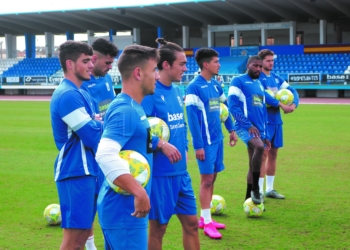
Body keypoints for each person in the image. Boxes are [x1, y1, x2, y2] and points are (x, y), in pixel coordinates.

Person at [95, 45, 181, 250]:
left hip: (124, 209)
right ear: (138, 73)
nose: (157, 77)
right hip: (125, 211)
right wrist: (139, 193)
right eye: (154, 71)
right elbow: (104, 154)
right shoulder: (126, 110)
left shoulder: (133, 107)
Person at [141, 38, 200, 250]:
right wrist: (160, 144)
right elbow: (137, 129)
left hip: (181, 173)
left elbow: (181, 122)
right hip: (160, 175)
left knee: (192, 224)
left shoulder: (176, 90)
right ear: (166, 65)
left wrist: (184, 146)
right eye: (182, 64)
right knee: (159, 230)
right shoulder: (150, 93)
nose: (186, 68)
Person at [50, 40, 103, 250]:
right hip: (75, 171)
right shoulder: (68, 95)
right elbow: (92, 136)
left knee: (82, 236)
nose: (91, 65)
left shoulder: (82, 92)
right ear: (70, 64)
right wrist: (97, 123)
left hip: (87, 170)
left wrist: (97, 123)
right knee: (74, 241)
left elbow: (96, 126)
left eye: (91, 60)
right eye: (86, 61)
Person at [185, 48, 237, 239]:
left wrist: (231, 130)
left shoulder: (215, 85)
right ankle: (207, 223)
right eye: (216, 61)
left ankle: (204, 217)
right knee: (206, 180)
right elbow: (192, 120)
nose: (219, 64)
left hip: (218, 140)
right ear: (206, 64)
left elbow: (224, 109)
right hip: (205, 143)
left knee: (212, 178)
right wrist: (198, 146)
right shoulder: (194, 87)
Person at [80, 37, 119, 250]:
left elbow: (110, 110)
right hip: (89, 155)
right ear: (94, 59)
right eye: (107, 63)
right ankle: (90, 246)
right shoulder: (80, 85)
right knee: (89, 207)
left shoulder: (107, 80)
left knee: (109, 203)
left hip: (110, 150)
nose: (110, 68)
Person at [228, 55, 273, 205]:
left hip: (258, 130)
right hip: (244, 126)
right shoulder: (238, 81)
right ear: (248, 65)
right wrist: (248, 125)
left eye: (260, 66)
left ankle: (248, 199)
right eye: (255, 66)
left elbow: (263, 112)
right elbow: (233, 106)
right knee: (259, 147)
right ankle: (255, 189)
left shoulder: (259, 84)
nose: (258, 69)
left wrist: (265, 135)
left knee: (253, 162)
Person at [257, 49, 299, 199]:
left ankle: (270, 189)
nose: (271, 63)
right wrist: (280, 104)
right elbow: (264, 96)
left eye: (272, 60)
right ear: (261, 62)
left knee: (274, 154)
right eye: (268, 60)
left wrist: (294, 104)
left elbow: (292, 90)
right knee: (263, 155)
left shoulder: (276, 78)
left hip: (276, 122)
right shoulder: (258, 78)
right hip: (264, 122)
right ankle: (259, 191)